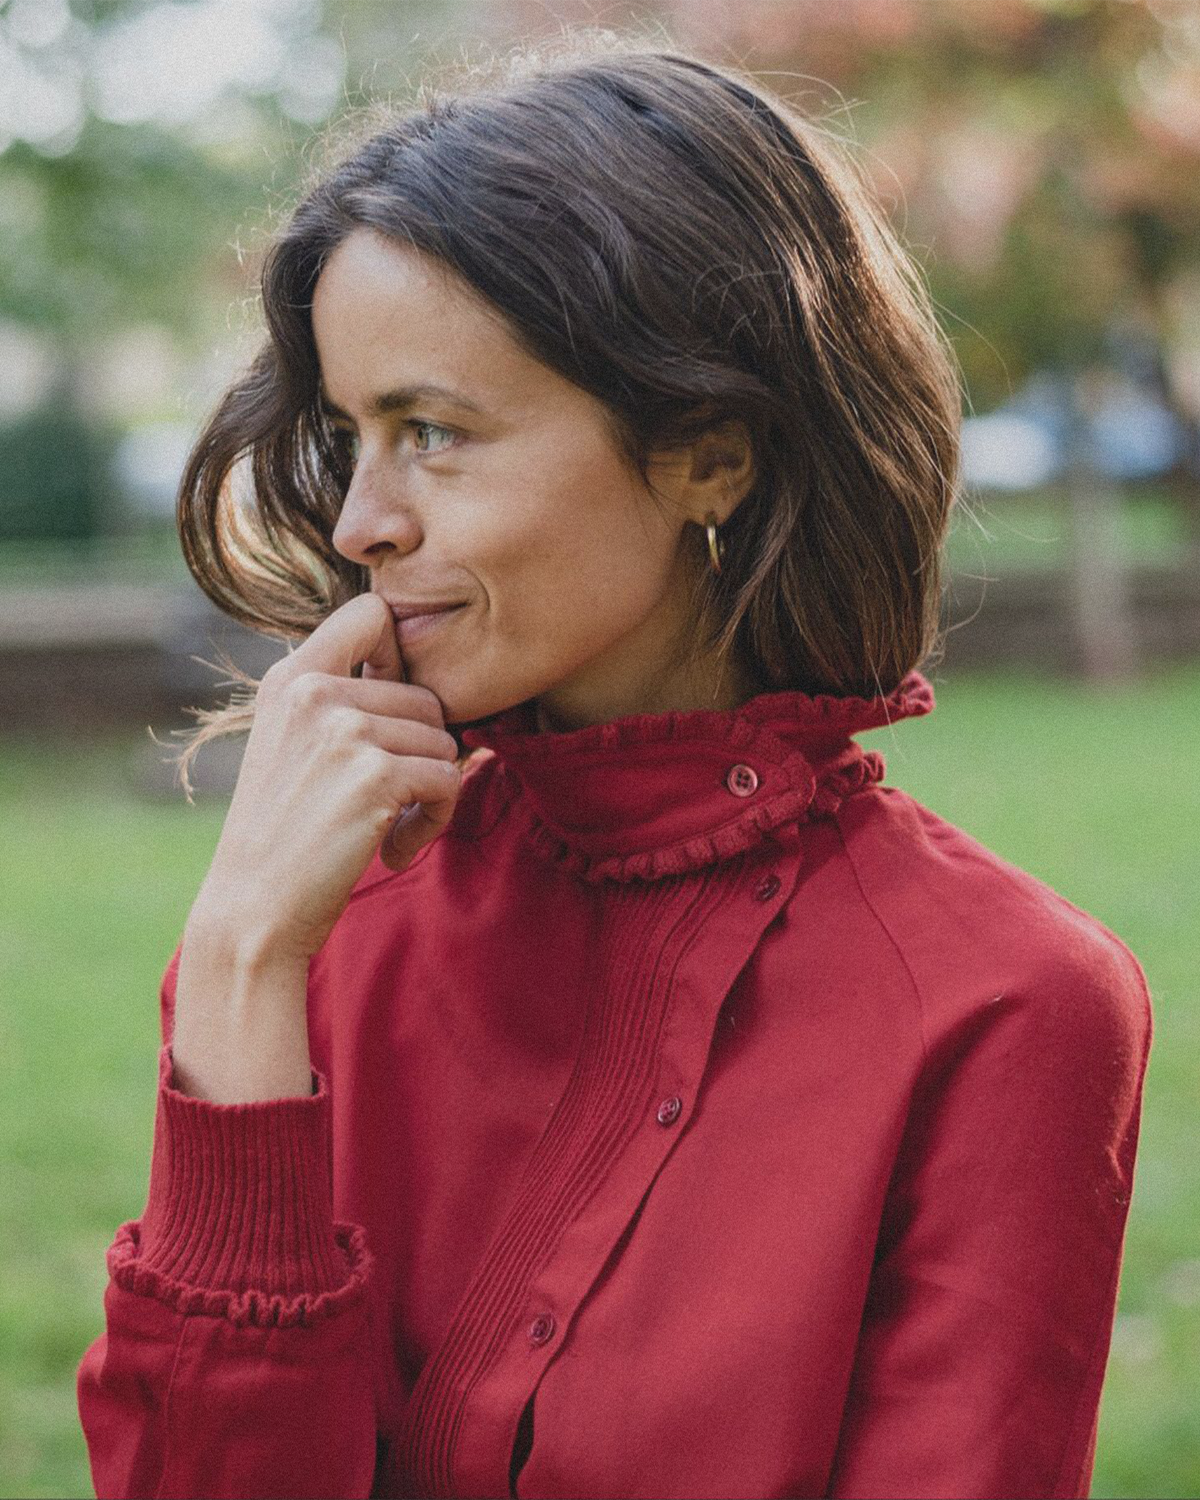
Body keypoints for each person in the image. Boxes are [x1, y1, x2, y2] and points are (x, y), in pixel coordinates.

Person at [76, 36, 1152, 1500]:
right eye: (350, 435)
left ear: (710, 453)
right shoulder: (317, 936)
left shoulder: (1003, 1005)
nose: (361, 524)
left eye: (434, 433)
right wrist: (242, 963)